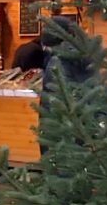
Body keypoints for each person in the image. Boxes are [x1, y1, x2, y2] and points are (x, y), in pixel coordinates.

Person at [38, 16, 98, 157]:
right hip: (88, 128)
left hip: (63, 135)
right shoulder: (87, 58)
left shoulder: (57, 63)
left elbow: (55, 103)